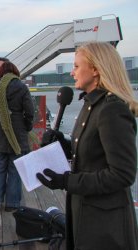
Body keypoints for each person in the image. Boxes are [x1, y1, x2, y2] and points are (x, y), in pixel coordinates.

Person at [36, 42, 138, 250]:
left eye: (76, 66)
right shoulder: (92, 104)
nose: (72, 73)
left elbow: (122, 174)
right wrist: (62, 143)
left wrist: (67, 181)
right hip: (86, 212)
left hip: (104, 225)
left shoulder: (112, 110)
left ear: (95, 69)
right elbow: (92, 152)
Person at [0, 58, 34, 212]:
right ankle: (12, 204)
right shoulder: (21, 87)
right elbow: (30, 111)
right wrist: (26, 126)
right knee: (15, 168)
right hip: (18, 134)